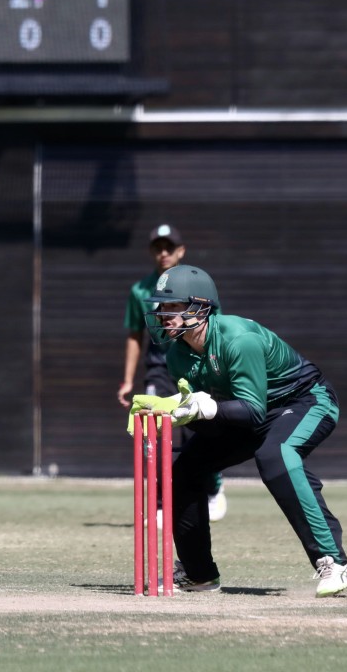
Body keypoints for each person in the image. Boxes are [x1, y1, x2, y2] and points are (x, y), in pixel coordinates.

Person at [141, 264, 347, 597]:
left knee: (276, 455)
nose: (163, 314)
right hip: (248, 412)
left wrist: (206, 408)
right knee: (186, 470)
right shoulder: (177, 357)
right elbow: (220, 415)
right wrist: (170, 412)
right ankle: (199, 575)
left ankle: (335, 563)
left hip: (305, 400)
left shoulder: (238, 339)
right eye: (161, 306)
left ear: (200, 306)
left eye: (173, 306)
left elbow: (252, 410)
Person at [118, 224, 227, 523]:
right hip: (159, 368)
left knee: (199, 428)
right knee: (153, 427)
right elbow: (134, 336)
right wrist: (128, 380)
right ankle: (160, 501)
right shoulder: (140, 290)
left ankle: (213, 488)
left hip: (193, 366)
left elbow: (214, 329)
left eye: (169, 247)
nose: (163, 253)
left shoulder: (197, 285)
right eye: (158, 248)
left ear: (181, 251)